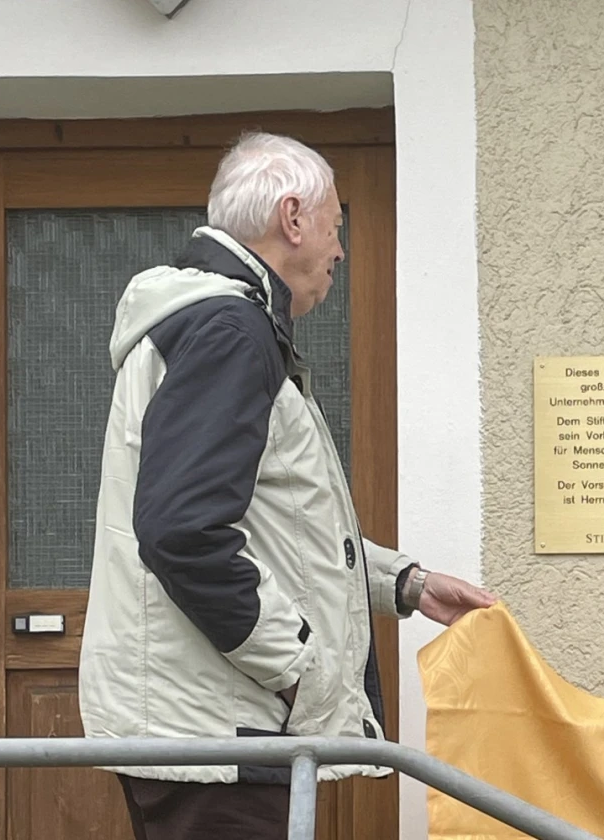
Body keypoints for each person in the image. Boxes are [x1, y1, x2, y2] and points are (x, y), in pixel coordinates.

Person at [78, 131, 497, 840]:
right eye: (335, 227)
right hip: (220, 730)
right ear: (293, 218)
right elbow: (184, 532)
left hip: (206, 723)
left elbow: (271, 524)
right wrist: (297, 665)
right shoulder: (229, 329)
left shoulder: (210, 322)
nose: (340, 251)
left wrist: (405, 583)